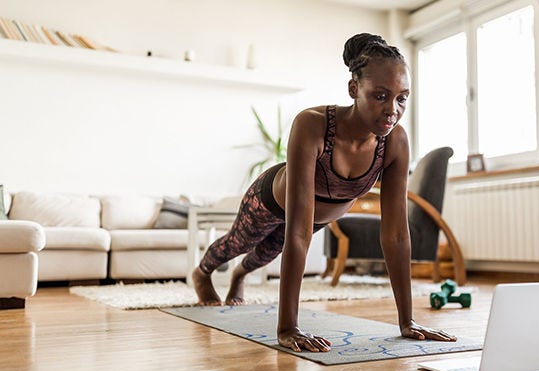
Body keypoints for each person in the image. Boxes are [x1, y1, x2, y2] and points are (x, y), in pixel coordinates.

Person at [192, 32, 457, 353]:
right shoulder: (313, 124)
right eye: (380, 96)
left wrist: (407, 322)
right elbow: (298, 233)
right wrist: (288, 328)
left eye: (402, 98)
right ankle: (203, 272)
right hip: (272, 201)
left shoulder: (395, 141)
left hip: (319, 215)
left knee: (264, 255)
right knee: (239, 242)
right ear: (353, 89)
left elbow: (397, 235)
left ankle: (239, 276)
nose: (392, 109)